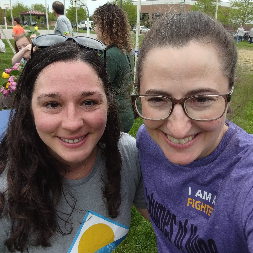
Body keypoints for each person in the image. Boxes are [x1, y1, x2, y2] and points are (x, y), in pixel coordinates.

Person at [0, 36, 148, 252]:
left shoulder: (126, 155)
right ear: (28, 108)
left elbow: (175, 230)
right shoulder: (6, 193)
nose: (72, 123)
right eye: (52, 104)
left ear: (109, 103)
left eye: (88, 102)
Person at [132, 11, 253, 252]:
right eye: (157, 98)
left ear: (229, 96)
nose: (178, 128)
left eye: (200, 99)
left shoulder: (245, 178)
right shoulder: (147, 141)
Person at [93, 3, 135, 133]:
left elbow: (96, 87)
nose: (95, 29)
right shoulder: (125, 51)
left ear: (105, 27)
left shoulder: (110, 55)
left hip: (115, 118)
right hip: (126, 113)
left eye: (97, 25)